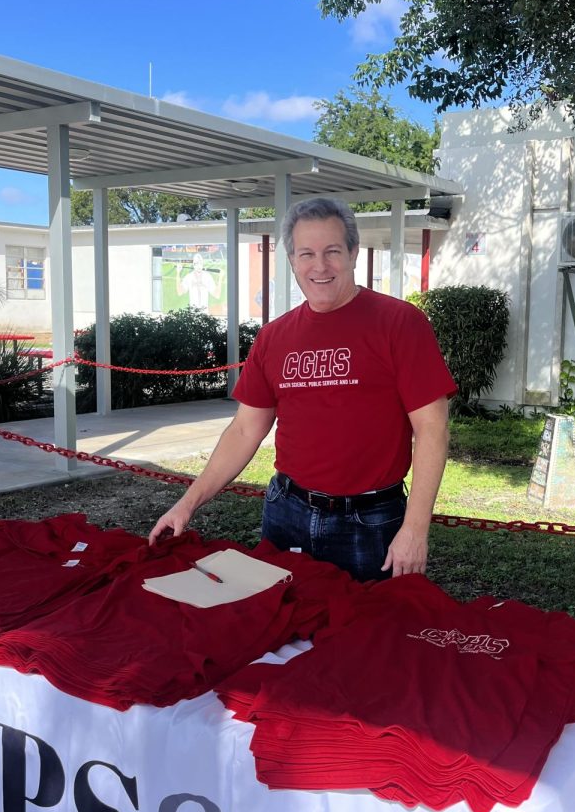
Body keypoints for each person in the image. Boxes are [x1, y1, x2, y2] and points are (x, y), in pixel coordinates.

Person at [149, 198, 456, 581]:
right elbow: (245, 430)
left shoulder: (400, 323)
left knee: (366, 633)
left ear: (353, 253)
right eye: (307, 253)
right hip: (286, 513)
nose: (320, 266)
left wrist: (414, 530)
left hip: (369, 521)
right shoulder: (273, 337)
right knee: (281, 630)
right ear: (292, 260)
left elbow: (433, 430)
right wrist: (187, 504)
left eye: (332, 251)